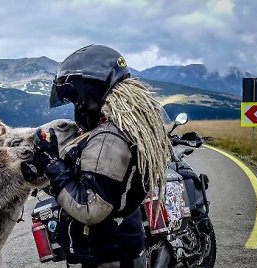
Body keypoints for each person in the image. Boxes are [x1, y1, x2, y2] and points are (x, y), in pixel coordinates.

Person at [28, 45, 171, 267]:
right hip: (116, 247)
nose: (77, 107)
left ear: (90, 92)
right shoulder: (120, 128)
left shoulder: (109, 139)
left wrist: (52, 164)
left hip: (105, 254)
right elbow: (95, 184)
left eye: (76, 99)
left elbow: (90, 208)